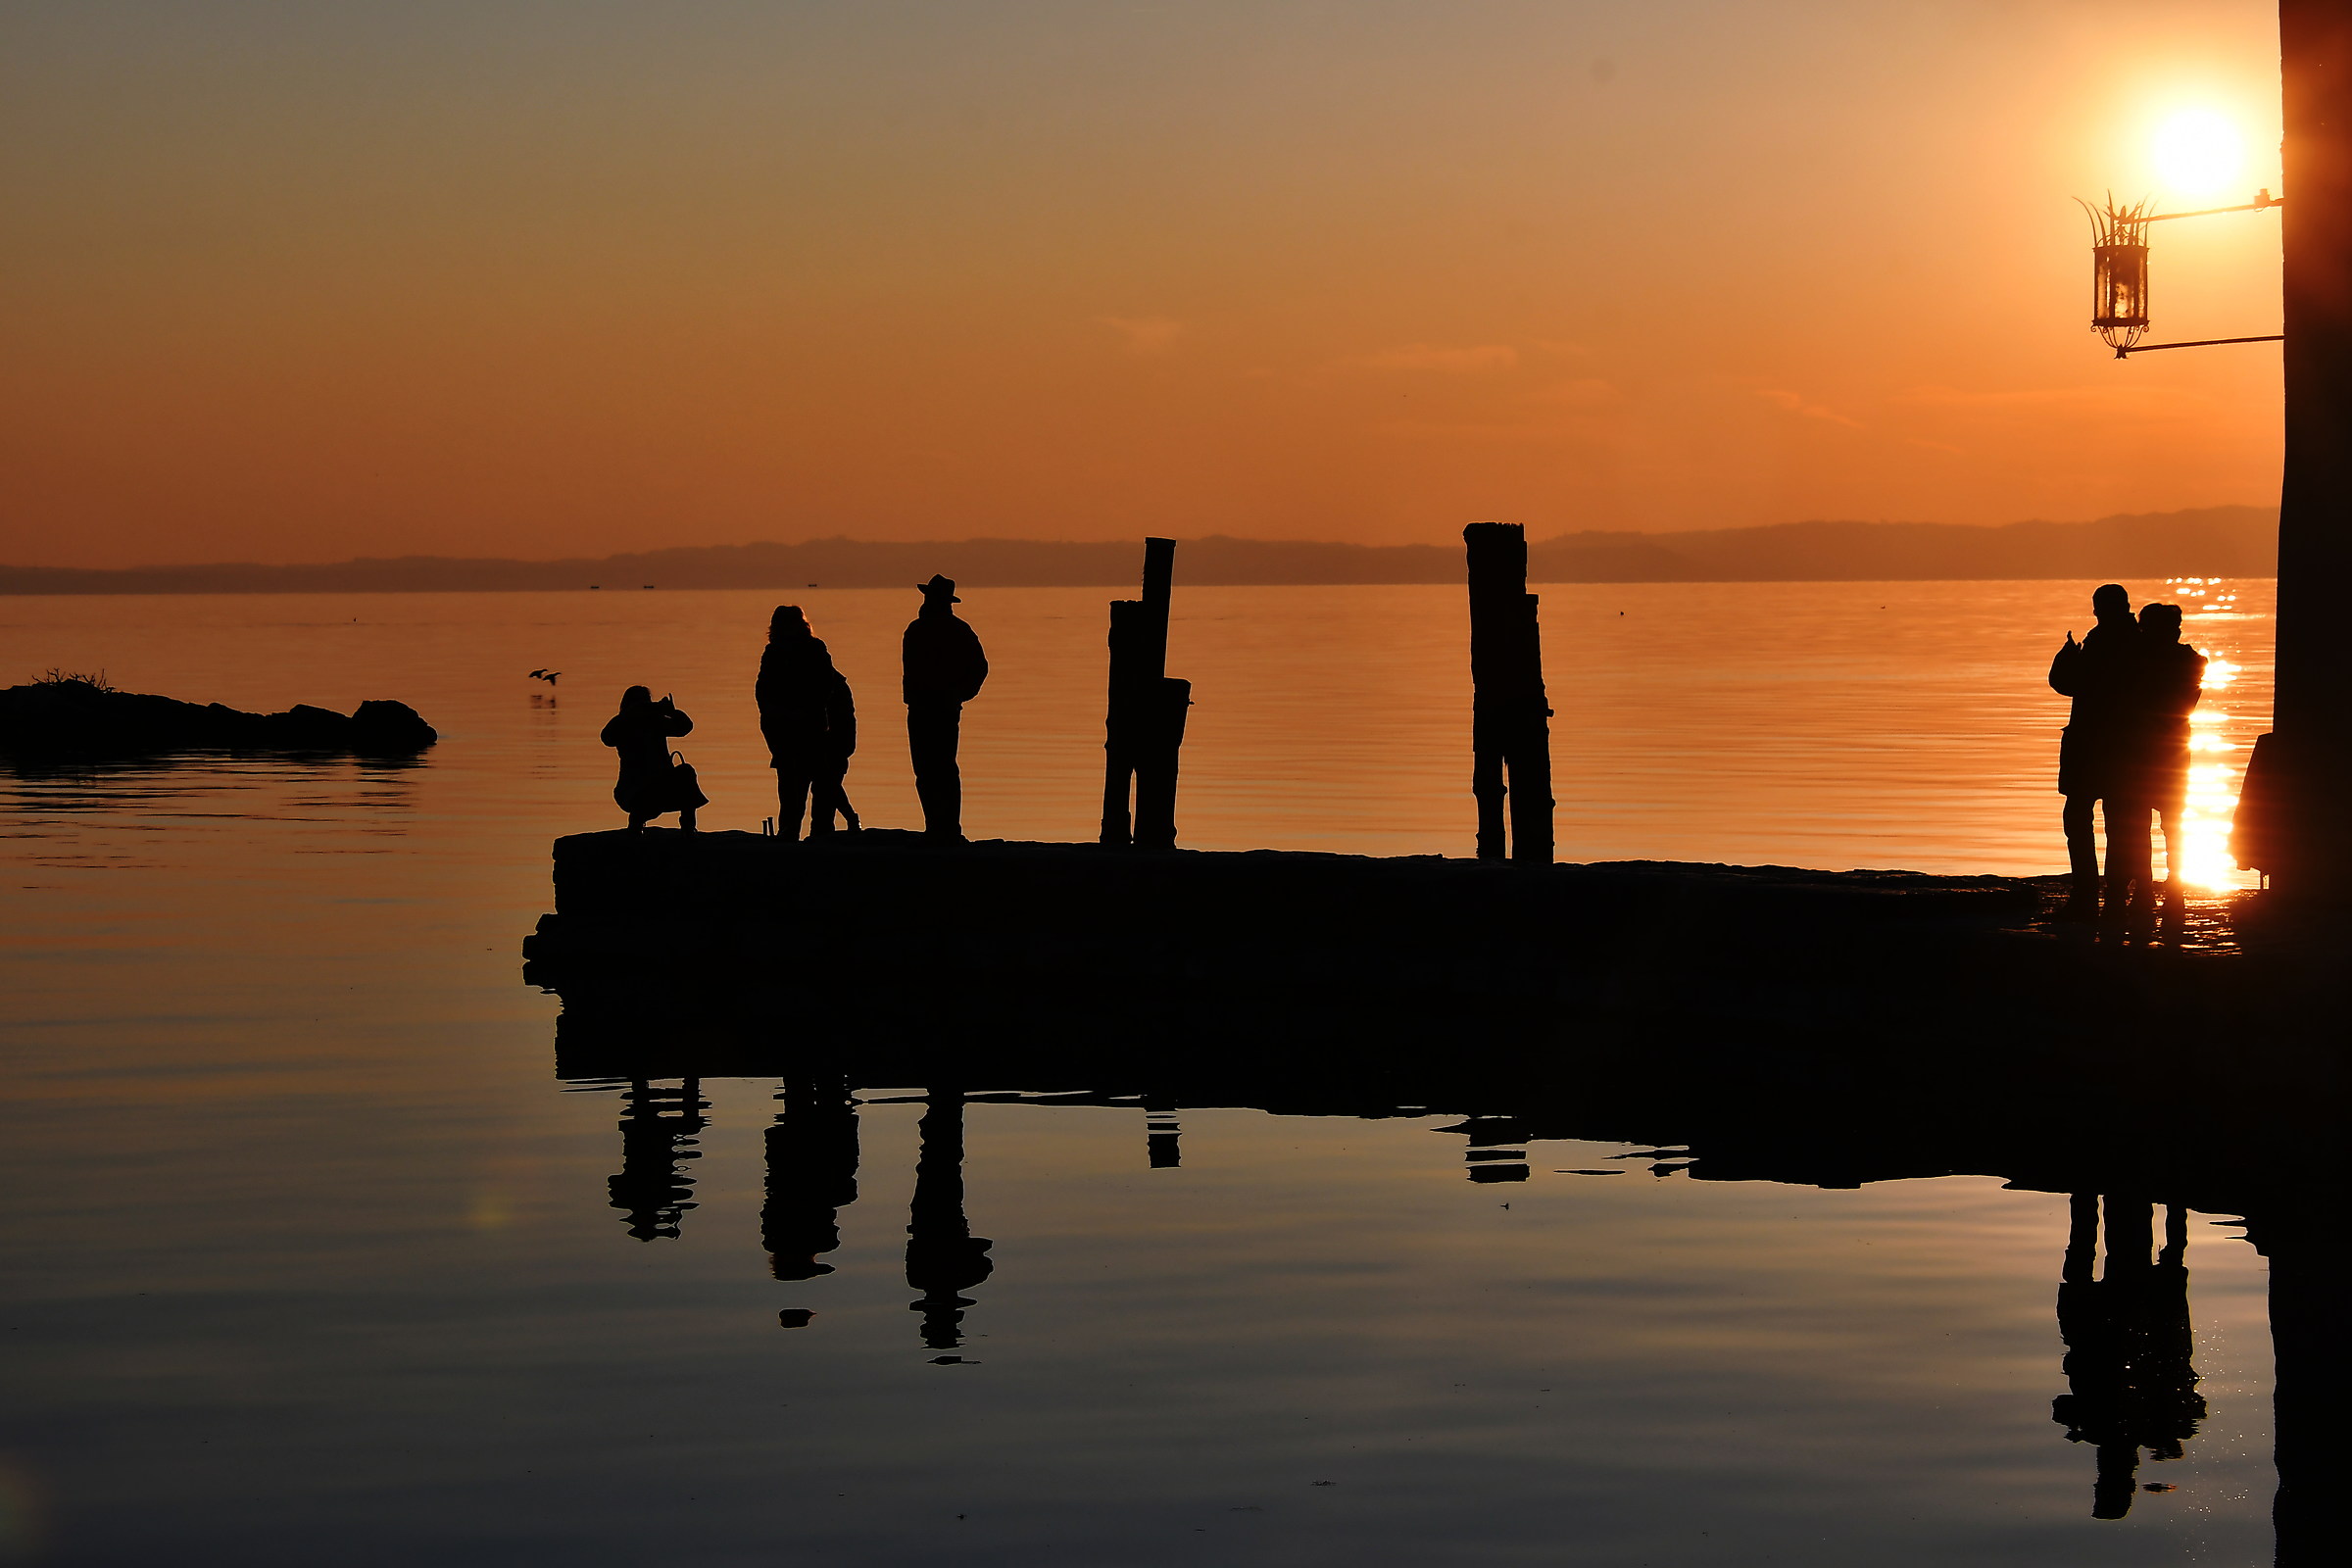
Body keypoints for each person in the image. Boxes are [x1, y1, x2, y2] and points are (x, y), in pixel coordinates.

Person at [2048, 584, 2147, 917]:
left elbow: (2068, 683)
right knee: (2119, 822)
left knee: (2080, 819)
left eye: (2098, 607)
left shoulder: (2102, 641)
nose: (2096, 613)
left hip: (2093, 746)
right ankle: (2115, 896)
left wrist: (2066, 656)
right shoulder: (2138, 641)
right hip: (2124, 748)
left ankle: (2088, 894)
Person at [757, 606, 858, 840]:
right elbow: (764, 695)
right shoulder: (775, 654)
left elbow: (824, 689)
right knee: (798, 792)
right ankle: (797, 835)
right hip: (794, 733)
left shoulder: (811, 651)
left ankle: (809, 836)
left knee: (816, 791)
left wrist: (800, 716)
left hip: (815, 732)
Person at [2131, 602, 2206, 910]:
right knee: (2167, 820)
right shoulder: (2190, 661)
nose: (2176, 632)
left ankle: (2154, 887)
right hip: (2171, 745)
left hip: (2151, 747)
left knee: (2148, 821)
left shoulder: (2137, 661)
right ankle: (2167, 886)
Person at [902, 574, 988, 840]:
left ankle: (943, 828)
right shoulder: (951, 630)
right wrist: (960, 695)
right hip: (933, 707)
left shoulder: (920, 629)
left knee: (933, 769)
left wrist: (959, 695)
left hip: (930, 708)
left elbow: (979, 668)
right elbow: (980, 668)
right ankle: (942, 828)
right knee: (938, 769)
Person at [600, 686, 705, 831]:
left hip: (659, 787)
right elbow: (606, 738)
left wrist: (672, 712)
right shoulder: (623, 725)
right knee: (647, 796)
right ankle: (636, 824)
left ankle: (688, 828)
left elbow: (685, 727)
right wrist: (632, 713)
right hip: (632, 791)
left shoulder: (655, 722)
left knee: (686, 772)